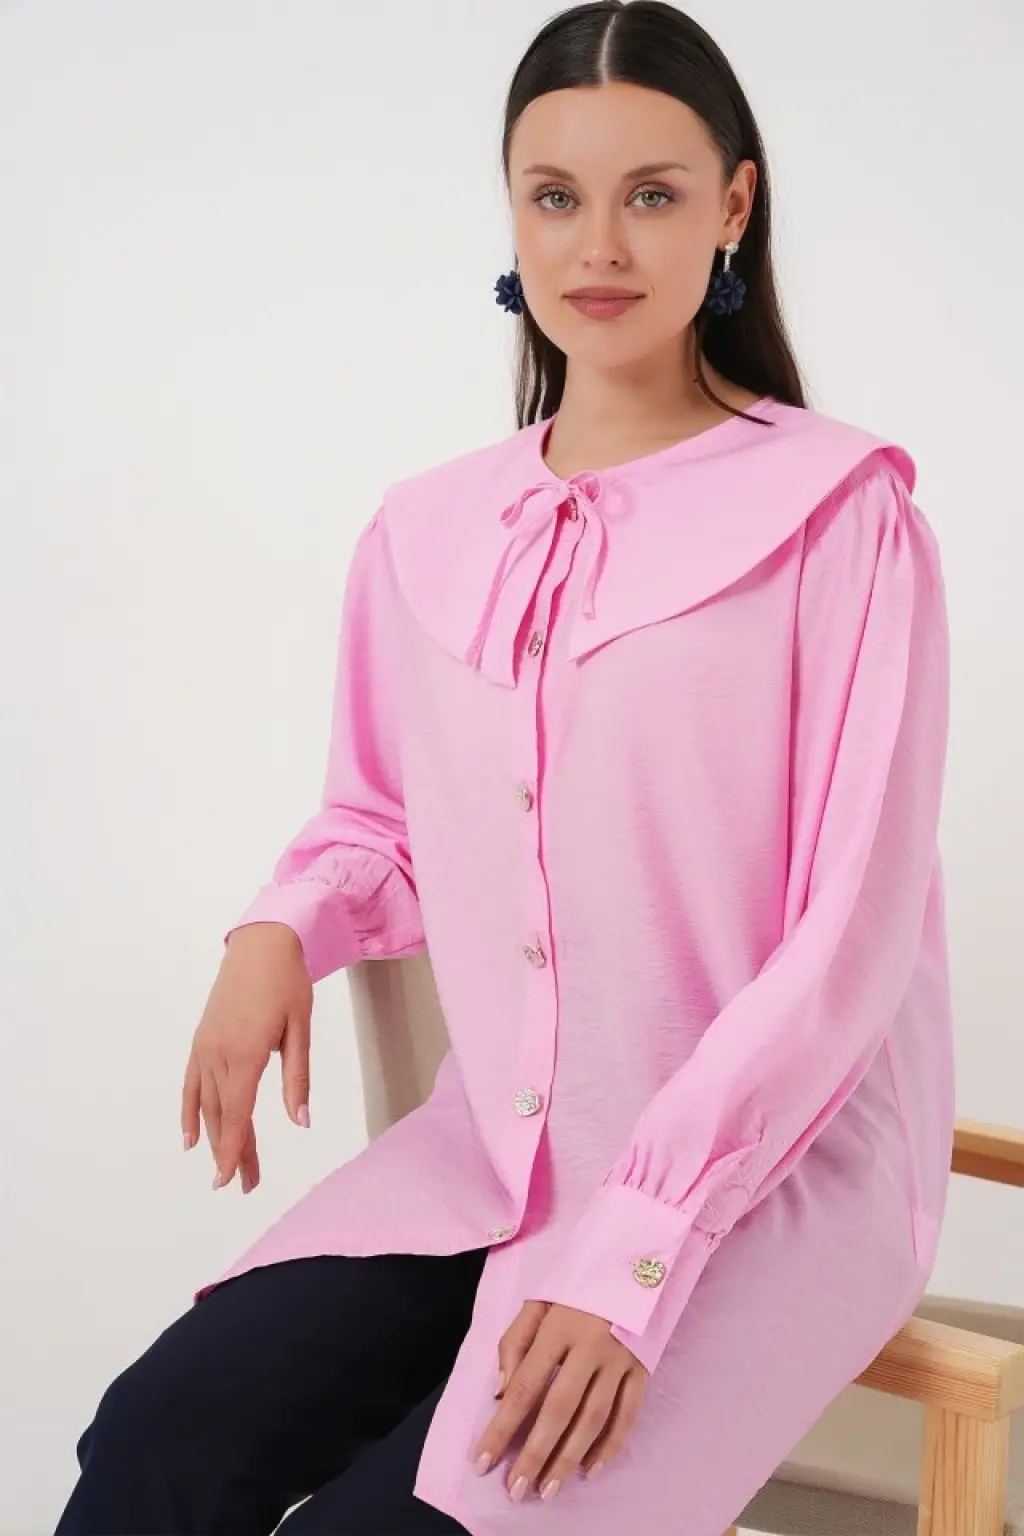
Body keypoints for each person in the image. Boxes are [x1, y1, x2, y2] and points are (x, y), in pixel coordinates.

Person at [55, 2, 954, 1533]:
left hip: (766, 1189)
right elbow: (384, 817)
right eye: (555, 196)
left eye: (651, 194)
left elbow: (846, 941)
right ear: (513, 213)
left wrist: (639, 1254)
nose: (598, 244)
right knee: (156, 1441)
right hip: (502, 1153)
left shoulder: (841, 521)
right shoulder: (427, 530)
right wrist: (280, 929)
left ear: (733, 205)